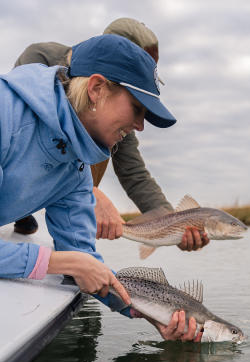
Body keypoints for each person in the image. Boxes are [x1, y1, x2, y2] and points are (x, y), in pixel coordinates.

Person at [0, 33, 202, 342]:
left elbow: (83, 258)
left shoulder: (76, 170)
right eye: (137, 108)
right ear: (96, 89)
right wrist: (59, 261)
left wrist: (149, 312)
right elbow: (72, 261)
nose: (140, 126)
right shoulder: (5, 114)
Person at [13, 17, 209, 252]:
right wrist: (90, 192)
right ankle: (24, 209)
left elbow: (133, 171)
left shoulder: (116, 118)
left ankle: (73, 225)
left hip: (71, 184)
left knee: (107, 139)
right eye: (136, 104)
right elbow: (25, 129)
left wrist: (173, 224)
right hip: (30, 168)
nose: (139, 124)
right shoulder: (41, 58)